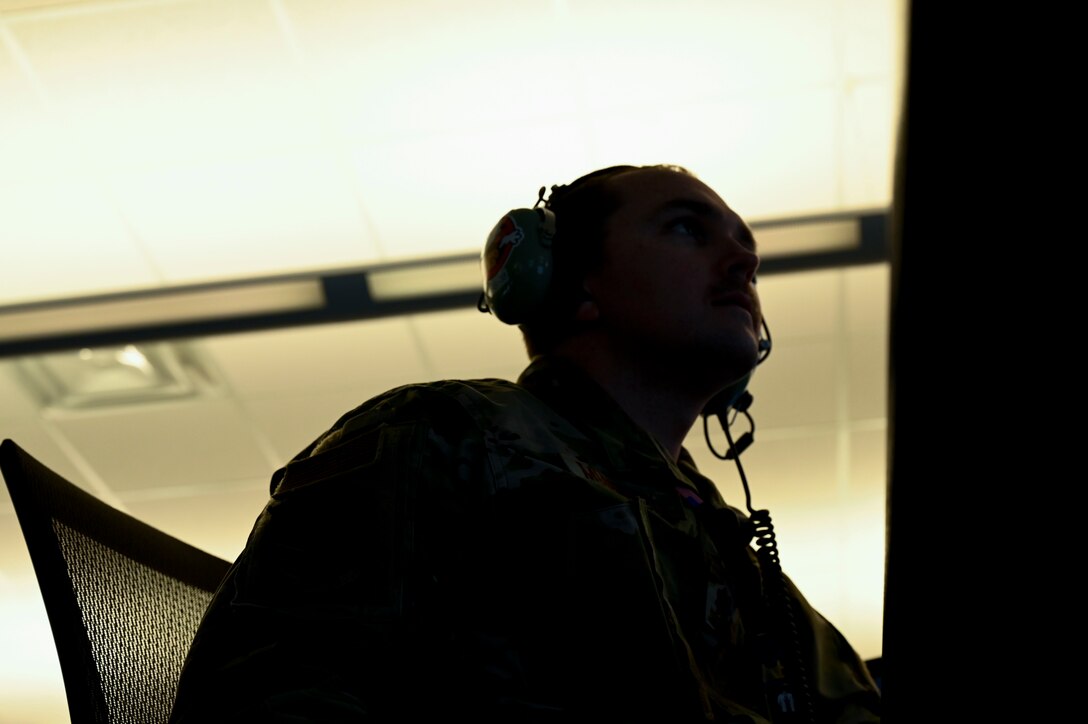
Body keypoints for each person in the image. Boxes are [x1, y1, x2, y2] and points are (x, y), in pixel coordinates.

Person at [169, 164, 881, 723]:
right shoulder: (447, 434)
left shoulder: (714, 531)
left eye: (745, 248)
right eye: (689, 231)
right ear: (570, 285)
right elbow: (272, 695)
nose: (741, 264)